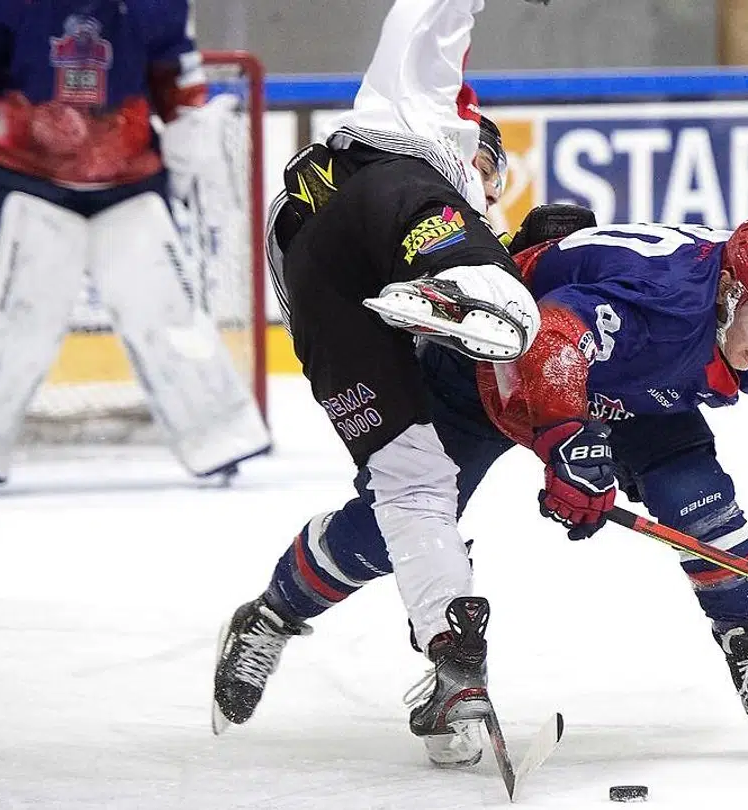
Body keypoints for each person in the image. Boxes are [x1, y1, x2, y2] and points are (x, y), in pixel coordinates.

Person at [216, 203, 748, 762]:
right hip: (496, 365)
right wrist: (566, 443)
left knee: (700, 504)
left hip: (626, 385)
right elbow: (552, 340)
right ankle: (273, 614)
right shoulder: (663, 299)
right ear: (731, 297)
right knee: (392, 529)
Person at [212, 0, 558, 768]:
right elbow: (416, 23)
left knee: (408, 492)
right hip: (343, 256)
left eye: (499, 177)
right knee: (441, 228)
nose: (492, 183)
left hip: (369, 318)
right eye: (489, 165)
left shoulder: (469, 217)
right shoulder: (415, 123)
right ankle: (455, 283)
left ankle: (449, 663)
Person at [0, 0, 271, 484]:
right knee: (15, 317)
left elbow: (177, 78)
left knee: (166, 310)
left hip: (129, 181)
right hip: (23, 178)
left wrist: (193, 141)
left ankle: (221, 436)